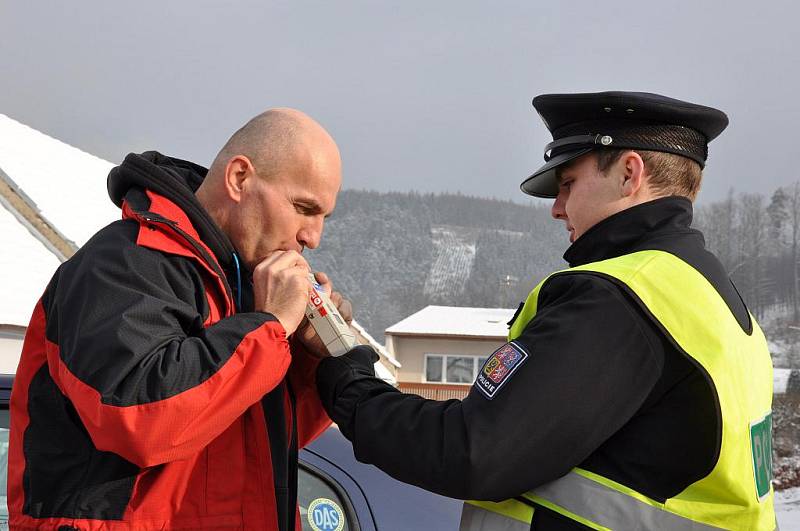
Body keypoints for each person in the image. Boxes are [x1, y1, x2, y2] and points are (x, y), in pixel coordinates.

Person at [316, 92, 777, 530]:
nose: (557, 209)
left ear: (629, 173)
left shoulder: (618, 300)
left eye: (568, 184)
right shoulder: (711, 296)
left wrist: (346, 378)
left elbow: (471, 452)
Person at [8, 108, 350, 530]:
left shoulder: (244, 286)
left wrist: (310, 357)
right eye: (303, 208)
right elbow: (140, 419)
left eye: (323, 218)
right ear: (240, 178)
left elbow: (252, 441)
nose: (312, 236)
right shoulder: (122, 265)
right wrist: (271, 328)